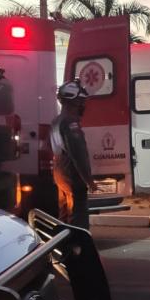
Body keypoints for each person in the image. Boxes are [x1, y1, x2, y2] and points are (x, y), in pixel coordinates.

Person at [51, 78, 95, 229]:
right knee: (77, 218)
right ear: (72, 101)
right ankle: (78, 243)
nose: (83, 105)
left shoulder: (56, 121)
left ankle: (62, 241)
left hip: (60, 174)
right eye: (80, 101)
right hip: (73, 176)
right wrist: (89, 180)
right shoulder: (70, 123)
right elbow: (78, 155)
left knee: (64, 215)